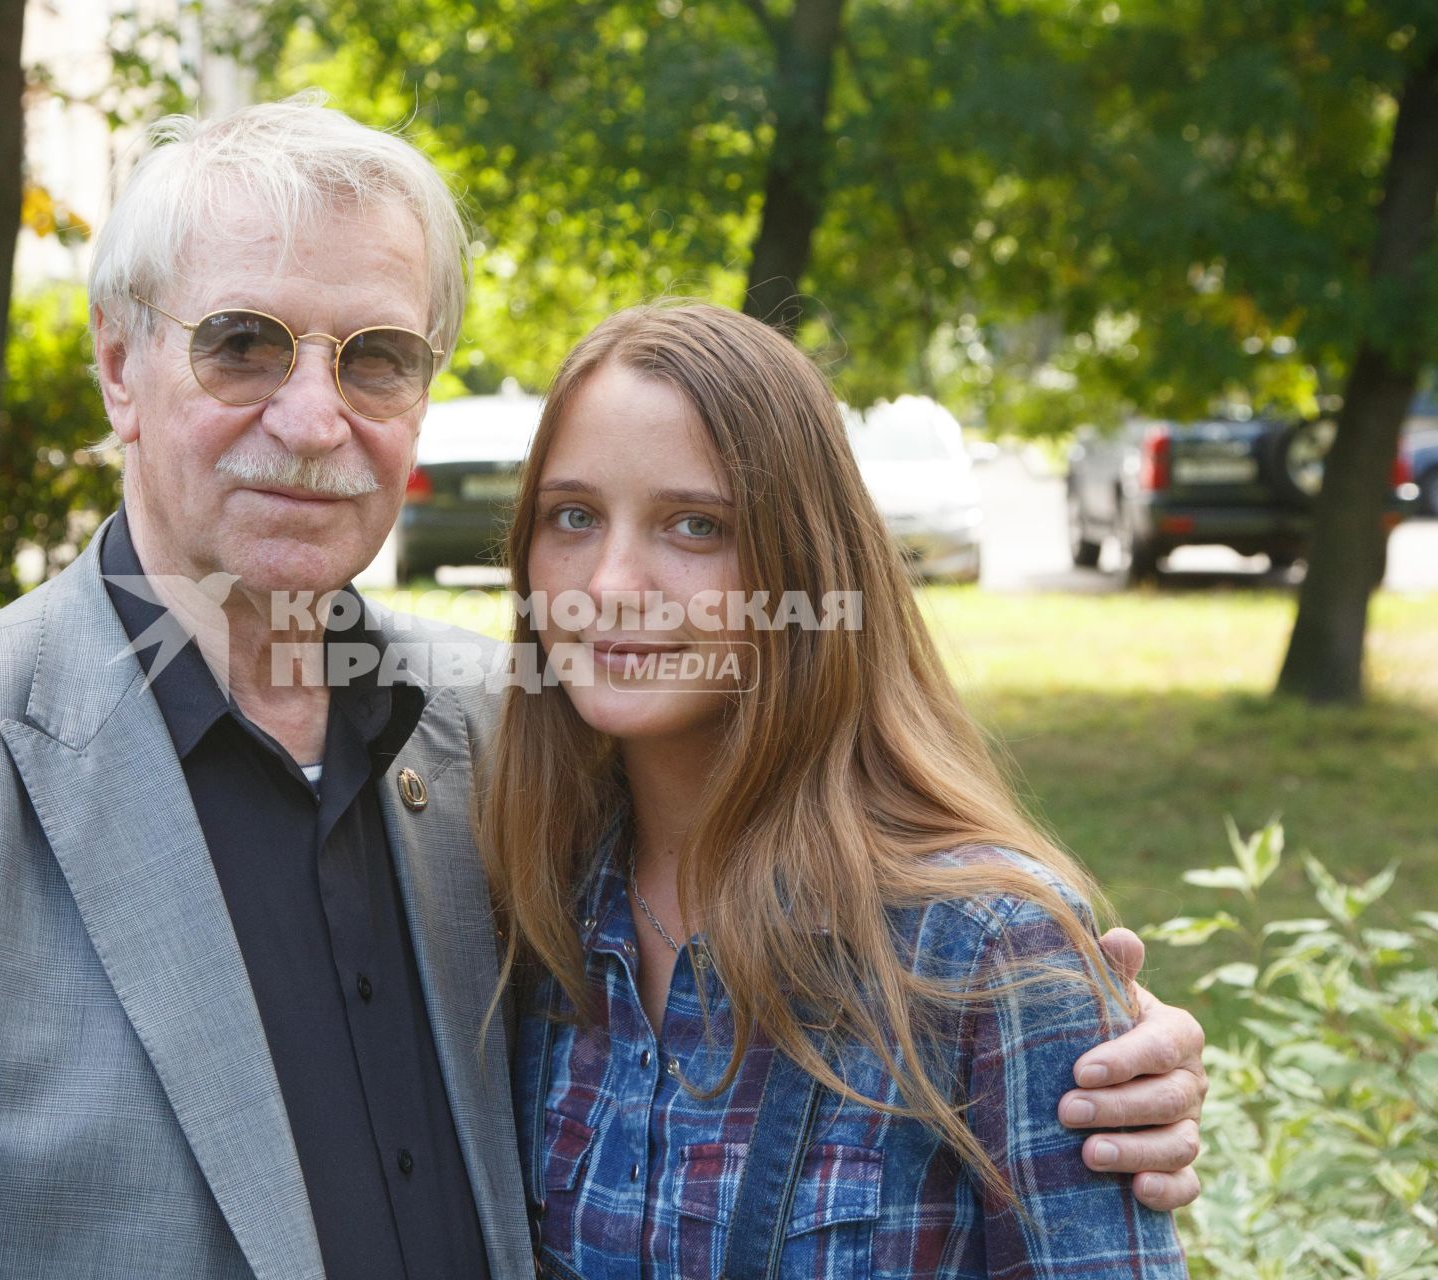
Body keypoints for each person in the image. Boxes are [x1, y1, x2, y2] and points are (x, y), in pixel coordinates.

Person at [0, 101, 1204, 1279]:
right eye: (245, 344)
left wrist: (1091, 1040)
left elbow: (838, 901)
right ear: (120, 367)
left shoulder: (508, 748)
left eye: (379, 358)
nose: (314, 418)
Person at [483, 302, 1192, 1278]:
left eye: (696, 524)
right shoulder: (527, 904)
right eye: (574, 515)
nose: (608, 582)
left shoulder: (981, 947)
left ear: (804, 562)